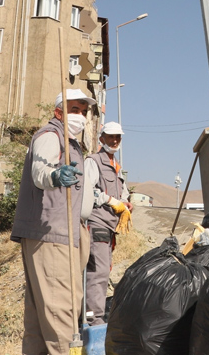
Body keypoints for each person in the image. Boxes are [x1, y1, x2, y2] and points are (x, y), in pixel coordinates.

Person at [11, 89, 97, 355]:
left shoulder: (72, 143)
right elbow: (41, 171)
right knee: (61, 314)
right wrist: (55, 175)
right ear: (59, 112)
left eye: (84, 112)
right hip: (52, 234)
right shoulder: (51, 135)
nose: (80, 116)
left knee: (40, 319)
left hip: (67, 233)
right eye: (74, 110)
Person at [83, 121, 133, 326]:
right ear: (101, 138)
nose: (114, 140)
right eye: (110, 137)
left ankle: (88, 316)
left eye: (117, 137)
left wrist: (125, 204)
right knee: (99, 272)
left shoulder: (116, 166)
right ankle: (94, 320)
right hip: (97, 222)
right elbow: (88, 190)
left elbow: (123, 193)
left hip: (109, 226)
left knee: (103, 269)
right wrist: (111, 201)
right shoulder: (93, 161)